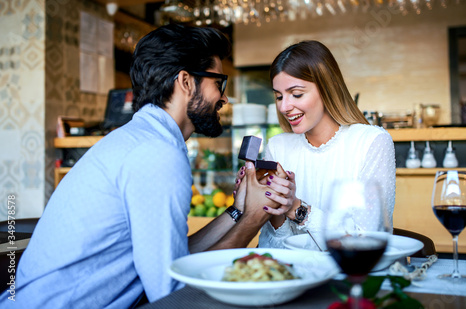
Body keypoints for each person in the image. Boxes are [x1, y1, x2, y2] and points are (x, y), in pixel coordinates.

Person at [2, 24, 277, 308]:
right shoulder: (156, 154)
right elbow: (172, 293)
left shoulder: (144, 140)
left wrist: (238, 211)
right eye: (219, 83)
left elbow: (173, 259)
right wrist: (256, 217)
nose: (224, 98)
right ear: (185, 81)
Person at [236, 40, 396, 249]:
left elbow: (367, 243)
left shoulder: (371, 142)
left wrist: (296, 207)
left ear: (326, 88)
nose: (284, 106)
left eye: (297, 94)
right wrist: (271, 208)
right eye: (278, 96)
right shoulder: (278, 146)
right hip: (296, 276)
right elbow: (274, 250)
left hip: (354, 279)